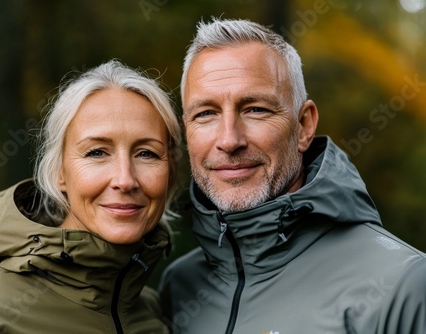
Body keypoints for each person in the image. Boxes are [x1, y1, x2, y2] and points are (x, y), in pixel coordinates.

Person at [159, 18, 426, 333]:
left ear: (304, 126)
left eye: (256, 109)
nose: (229, 140)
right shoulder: (178, 288)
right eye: (206, 114)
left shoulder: (402, 284)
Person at [0, 60, 181, 334]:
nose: (125, 180)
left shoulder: (153, 311)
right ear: (59, 172)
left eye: (147, 153)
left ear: (170, 172)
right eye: (97, 152)